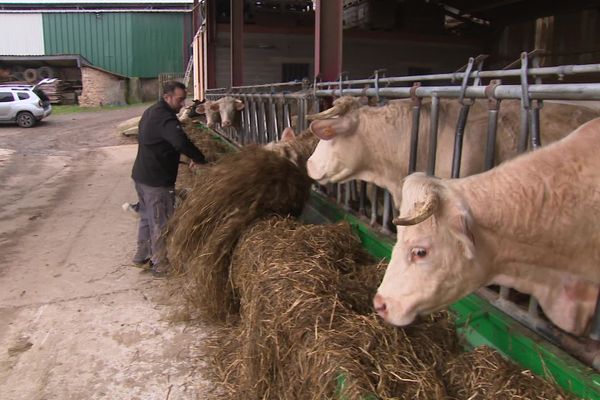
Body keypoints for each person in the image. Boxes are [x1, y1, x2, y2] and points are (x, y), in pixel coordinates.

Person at [131, 81, 206, 277]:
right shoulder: (165, 118)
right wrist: (199, 159)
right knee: (162, 224)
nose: (183, 104)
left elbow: (157, 141)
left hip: (142, 175)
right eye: (180, 99)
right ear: (168, 97)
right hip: (157, 181)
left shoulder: (151, 111)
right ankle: (161, 265)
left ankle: (142, 256)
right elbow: (180, 141)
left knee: (147, 218)